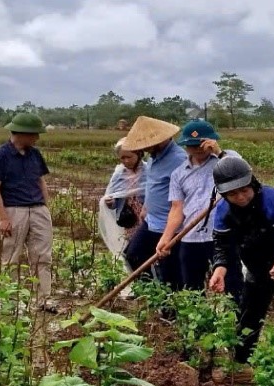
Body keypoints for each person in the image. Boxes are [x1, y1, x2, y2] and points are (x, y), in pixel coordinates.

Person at [209, 157, 274, 363]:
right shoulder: (223, 211)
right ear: (223, 194)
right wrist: (220, 269)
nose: (240, 197)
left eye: (244, 190)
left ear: (253, 183)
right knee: (248, 318)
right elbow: (222, 244)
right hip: (257, 267)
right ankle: (241, 366)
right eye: (232, 194)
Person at [157, 119, 239, 291]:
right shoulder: (179, 174)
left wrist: (218, 152)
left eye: (200, 144)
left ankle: (239, 317)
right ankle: (197, 317)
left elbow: (241, 175)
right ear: (185, 146)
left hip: (222, 234)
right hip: (191, 236)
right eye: (191, 145)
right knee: (192, 287)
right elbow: (176, 208)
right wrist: (166, 237)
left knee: (232, 283)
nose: (197, 149)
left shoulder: (226, 159)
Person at [0, 112, 54, 309]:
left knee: (43, 256)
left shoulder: (35, 154)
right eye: (34, 134)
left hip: (38, 209)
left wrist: (45, 207)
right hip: (14, 210)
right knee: (11, 257)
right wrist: (3, 218)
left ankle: (44, 299)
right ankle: (11, 303)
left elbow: (41, 180)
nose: (37, 138)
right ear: (22, 133)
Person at [119, 116, 184, 289]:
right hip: (151, 221)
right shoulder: (155, 157)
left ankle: (171, 311)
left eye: (146, 145)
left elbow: (183, 197)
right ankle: (153, 295)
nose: (144, 149)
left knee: (170, 271)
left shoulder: (179, 159)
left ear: (160, 140)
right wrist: (146, 206)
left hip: (169, 225)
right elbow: (154, 184)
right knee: (133, 255)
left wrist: (170, 233)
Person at [98, 138, 146, 260]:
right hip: (128, 218)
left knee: (145, 249)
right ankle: (140, 276)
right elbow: (112, 196)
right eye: (122, 158)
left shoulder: (149, 171)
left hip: (146, 216)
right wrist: (111, 203)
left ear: (139, 154)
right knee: (132, 250)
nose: (126, 161)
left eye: (129, 157)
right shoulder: (119, 174)